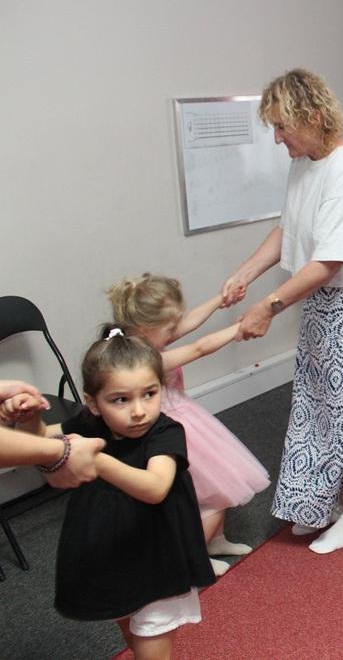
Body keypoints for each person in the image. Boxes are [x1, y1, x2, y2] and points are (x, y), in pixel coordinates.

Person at [222, 68, 343, 554]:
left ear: (314, 117)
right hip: (323, 299)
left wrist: (268, 306)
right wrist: (245, 273)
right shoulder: (305, 161)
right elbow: (288, 228)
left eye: (283, 126)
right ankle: (322, 504)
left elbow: (329, 260)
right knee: (319, 404)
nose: (278, 138)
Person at [2, 327, 214, 659]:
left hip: (160, 554)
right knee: (130, 627)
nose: (139, 410)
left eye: (150, 393)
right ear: (93, 404)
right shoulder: (91, 423)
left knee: (151, 637)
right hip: (117, 551)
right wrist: (31, 418)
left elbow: (156, 488)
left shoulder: (165, 431)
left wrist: (97, 461)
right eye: (120, 400)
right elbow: (41, 440)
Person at [108, 273, 269, 575]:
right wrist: (239, 327)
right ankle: (193, 557)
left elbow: (189, 322)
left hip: (187, 418)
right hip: (174, 429)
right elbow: (199, 348)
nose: (175, 332)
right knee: (214, 495)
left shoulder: (144, 337)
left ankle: (216, 541)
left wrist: (221, 300)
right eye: (170, 329)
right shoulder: (143, 359)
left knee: (221, 482)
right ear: (145, 329)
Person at [0, 380, 105, 487]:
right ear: (93, 404)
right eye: (116, 400)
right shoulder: (93, 421)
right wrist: (29, 417)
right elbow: (39, 438)